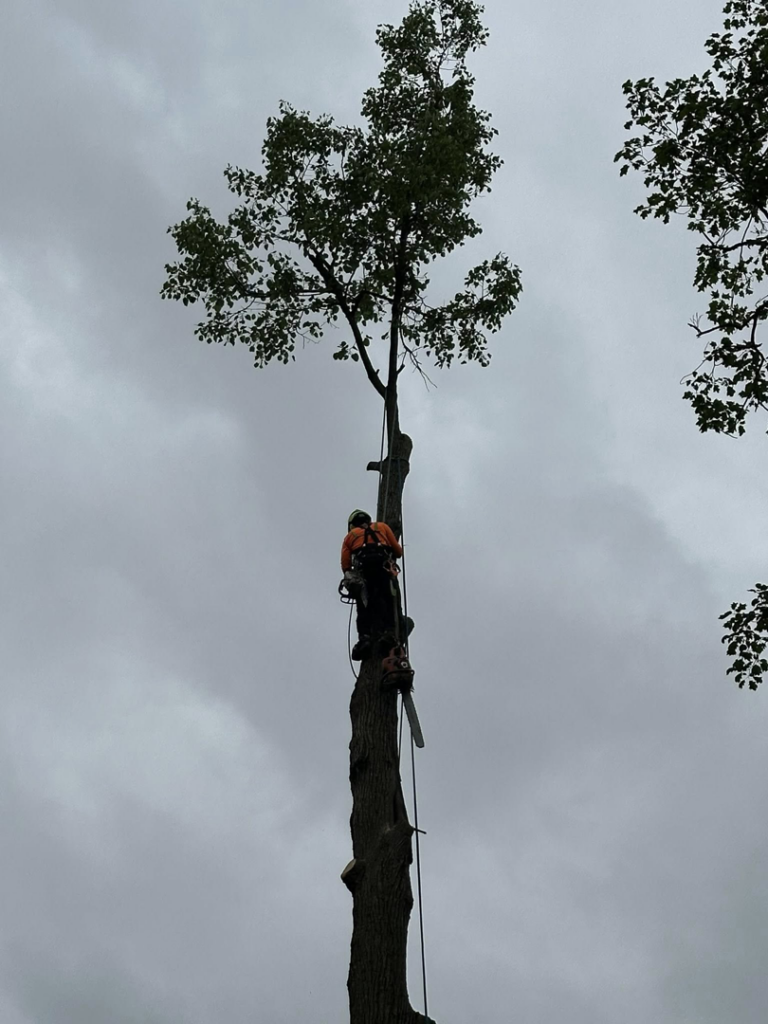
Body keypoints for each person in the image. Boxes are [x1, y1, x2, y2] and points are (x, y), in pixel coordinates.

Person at [341, 510, 407, 660]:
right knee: (387, 599)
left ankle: (365, 638)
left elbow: (345, 565)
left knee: (363, 605)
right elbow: (398, 551)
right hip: (383, 567)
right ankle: (389, 633)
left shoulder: (349, 537)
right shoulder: (382, 527)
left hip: (364, 572)